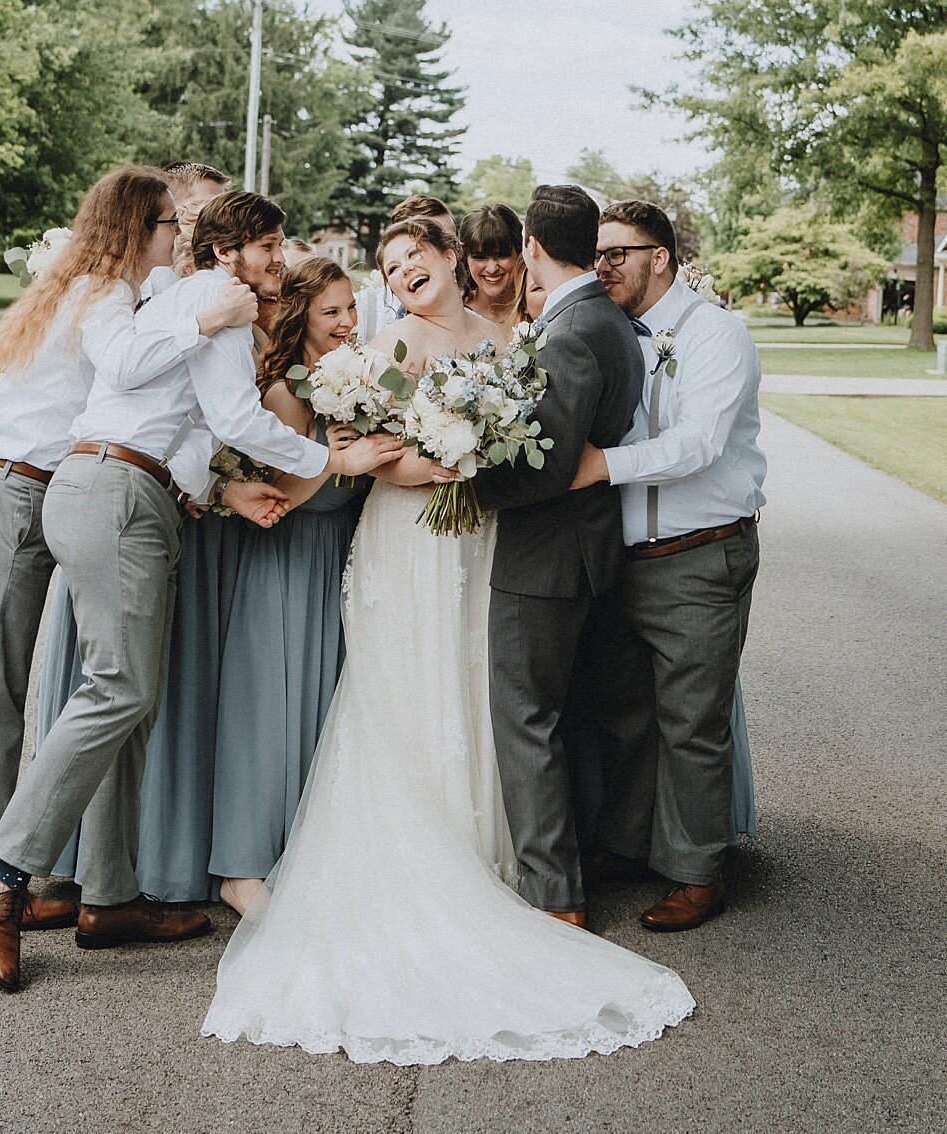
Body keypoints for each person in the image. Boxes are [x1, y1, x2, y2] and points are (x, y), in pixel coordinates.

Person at [202, 213, 692, 1063]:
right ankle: (421, 858)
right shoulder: (388, 345)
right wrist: (449, 461)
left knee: (481, 682)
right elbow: (364, 453)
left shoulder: (510, 338)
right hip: (407, 540)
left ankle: (489, 855)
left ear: (448, 259)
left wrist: (481, 455)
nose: (400, 276)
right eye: (389, 267)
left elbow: (519, 443)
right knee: (408, 683)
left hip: (481, 542)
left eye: (412, 259)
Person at [0, 191, 400, 992]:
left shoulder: (195, 297)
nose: (284, 259)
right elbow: (236, 418)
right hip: (115, 494)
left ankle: (110, 897)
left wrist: (222, 492)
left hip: (135, 493)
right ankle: (8, 867)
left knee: (134, 701)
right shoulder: (212, 299)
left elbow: (199, 422)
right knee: (119, 690)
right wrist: (328, 461)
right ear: (233, 251)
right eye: (272, 245)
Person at [0, 165, 257, 938]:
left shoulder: (127, 293)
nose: (185, 235)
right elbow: (138, 378)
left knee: (117, 687)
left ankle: (106, 889)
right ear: (142, 228)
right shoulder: (103, 296)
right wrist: (209, 315)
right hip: (14, 488)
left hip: (57, 485)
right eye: (176, 221)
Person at [571, 199, 766, 931]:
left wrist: (599, 467)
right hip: (620, 559)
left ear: (661, 257)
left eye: (617, 253)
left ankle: (696, 872)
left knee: (691, 719)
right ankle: (629, 845)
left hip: (699, 556)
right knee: (624, 713)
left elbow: (698, 445)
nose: (602, 266)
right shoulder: (606, 333)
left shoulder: (717, 334)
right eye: (597, 253)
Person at [471, 186, 644, 927]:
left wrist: (470, 481)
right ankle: (580, 864)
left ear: (534, 247)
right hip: (589, 549)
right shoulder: (607, 319)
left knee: (526, 718)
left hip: (549, 556)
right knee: (566, 717)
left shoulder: (572, 329)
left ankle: (555, 897)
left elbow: (546, 464)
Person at [210, 258, 369, 914]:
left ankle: (296, 854)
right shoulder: (287, 393)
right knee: (267, 713)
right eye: (332, 311)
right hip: (285, 560)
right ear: (302, 316)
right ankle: (242, 867)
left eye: (351, 308)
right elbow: (281, 493)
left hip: (333, 560)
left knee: (316, 715)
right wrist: (342, 459)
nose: (347, 322)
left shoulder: (353, 380)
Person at [354, 194, 458, 342]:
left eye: (450, 240)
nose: (445, 246)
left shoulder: (474, 310)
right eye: (416, 249)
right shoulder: (363, 308)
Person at [459, 204, 525, 336]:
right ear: (465, 258)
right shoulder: (456, 312)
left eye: (501, 255)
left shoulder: (534, 308)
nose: (492, 269)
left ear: (519, 253)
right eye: (480, 257)